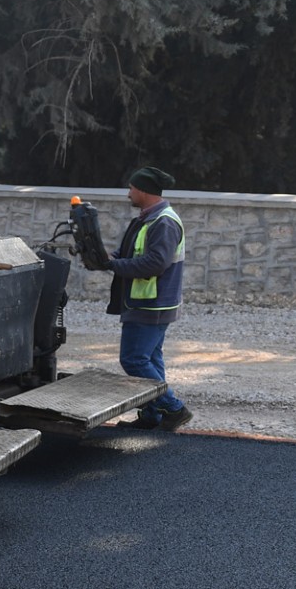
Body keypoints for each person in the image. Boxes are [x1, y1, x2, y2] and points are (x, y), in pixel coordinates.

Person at [108, 165, 192, 431]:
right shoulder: (146, 219)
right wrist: (107, 259)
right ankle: (152, 416)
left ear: (144, 190)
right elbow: (129, 254)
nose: (128, 193)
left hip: (151, 303)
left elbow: (154, 264)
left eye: (132, 187)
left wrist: (113, 266)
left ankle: (175, 409)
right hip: (149, 302)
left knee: (134, 360)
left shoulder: (163, 222)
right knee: (151, 359)